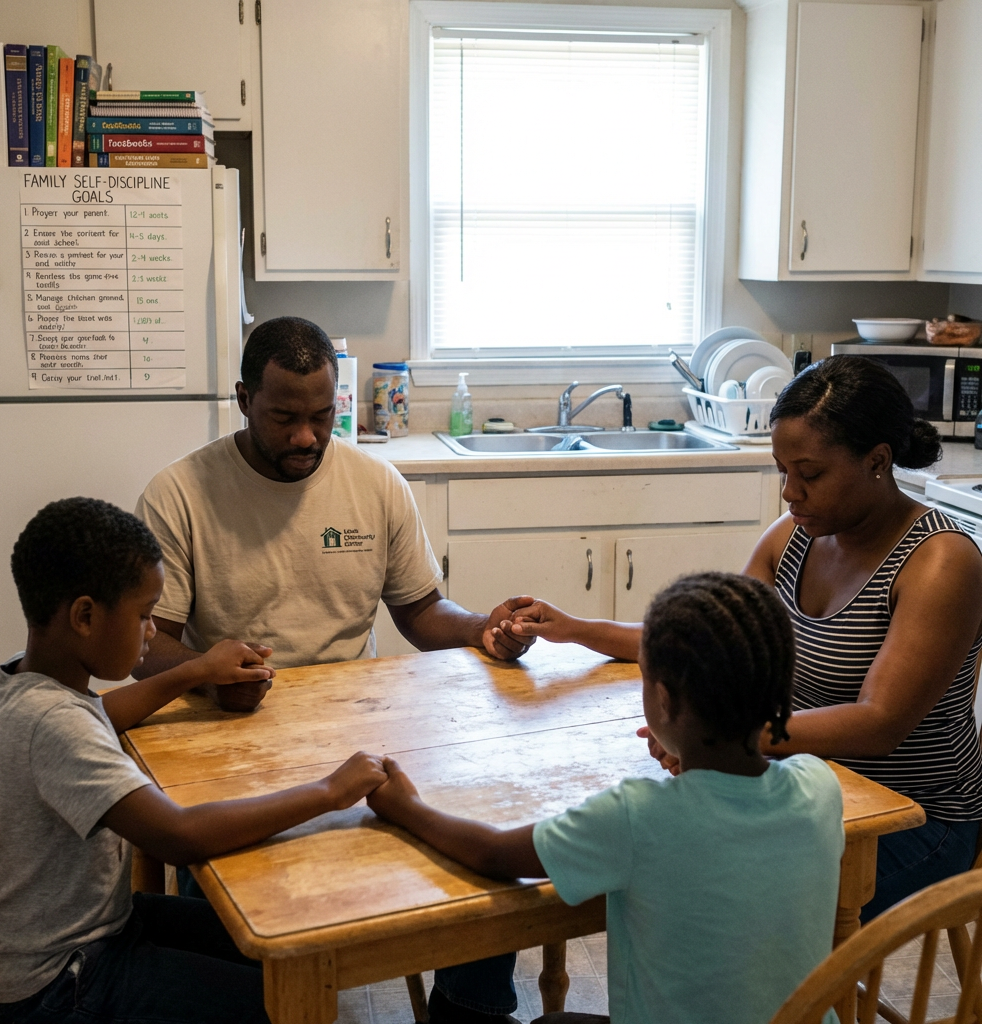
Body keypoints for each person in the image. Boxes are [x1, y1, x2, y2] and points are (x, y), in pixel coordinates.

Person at [132, 315, 529, 1022]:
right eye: (285, 418)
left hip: (357, 731)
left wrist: (483, 629)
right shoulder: (181, 493)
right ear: (243, 398)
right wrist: (205, 671)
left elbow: (421, 612)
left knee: (480, 870)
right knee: (236, 918)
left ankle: (465, 1011)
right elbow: (147, 645)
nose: (307, 437)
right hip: (229, 737)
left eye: (323, 415)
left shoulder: (375, 485)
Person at [506, 355, 982, 922]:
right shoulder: (794, 539)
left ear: (878, 461)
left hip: (916, 821)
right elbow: (710, 639)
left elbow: (880, 722)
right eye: (782, 471)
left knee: (687, 882)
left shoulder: (940, 561)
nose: (789, 493)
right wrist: (576, 629)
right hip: (801, 787)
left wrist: (730, 740)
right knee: (603, 835)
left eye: (809, 474)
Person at [0, 497, 388, 1023]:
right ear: (85, 616)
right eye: (143, 616)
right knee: (280, 1005)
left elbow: (101, 715)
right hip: (51, 982)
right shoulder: (53, 723)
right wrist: (331, 791)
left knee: (279, 954)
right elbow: (178, 835)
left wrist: (195, 671)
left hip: (78, 935)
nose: (150, 632)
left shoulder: (24, 684)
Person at [368, 572, 845, 1024]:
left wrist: (406, 807)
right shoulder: (818, 786)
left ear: (663, 700)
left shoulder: (638, 817)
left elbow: (493, 853)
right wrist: (693, 750)